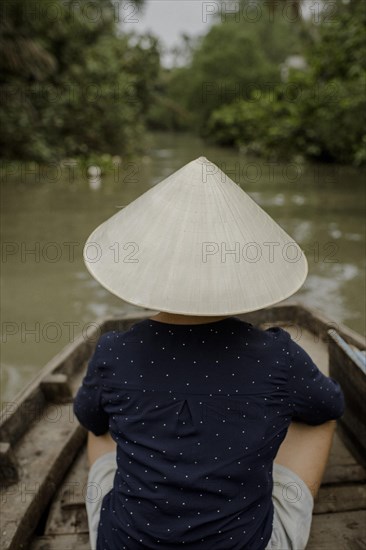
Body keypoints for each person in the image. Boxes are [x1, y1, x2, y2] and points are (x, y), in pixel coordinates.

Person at [74, 157, 344, 550]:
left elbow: (88, 417)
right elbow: (330, 403)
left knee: (99, 428)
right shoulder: (278, 356)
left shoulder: (114, 351)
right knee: (320, 416)